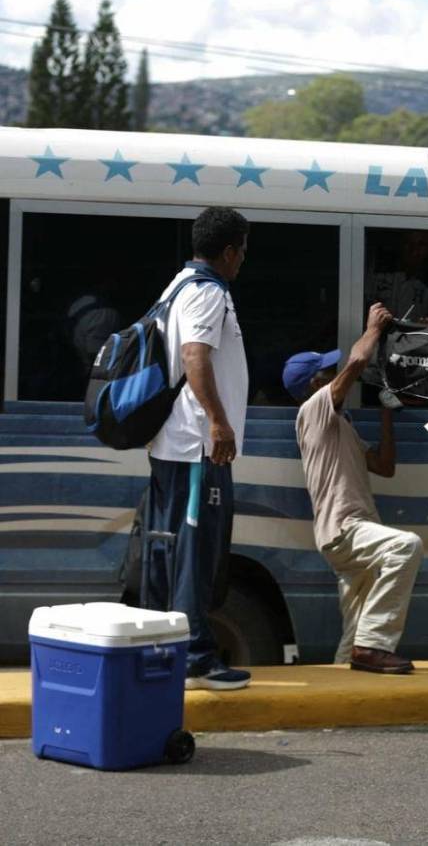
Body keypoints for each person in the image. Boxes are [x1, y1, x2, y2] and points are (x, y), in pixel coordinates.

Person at [143, 207, 251, 690]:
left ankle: (168, 650)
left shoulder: (179, 285)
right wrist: (218, 423)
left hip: (181, 445)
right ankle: (195, 659)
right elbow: (195, 357)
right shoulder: (208, 292)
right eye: (242, 251)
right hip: (195, 447)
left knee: (174, 550)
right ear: (228, 251)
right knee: (195, 552)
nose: (242, 260)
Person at [284, 303, 424, 674]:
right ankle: (374, 645)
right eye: (327, 372)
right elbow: (358, 361)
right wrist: (373, 327)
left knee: (352, 632)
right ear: (314, 385)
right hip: (346, 530)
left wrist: (386, 414)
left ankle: (350, 668)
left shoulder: (339, 426)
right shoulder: (313, 411)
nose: (335, 374)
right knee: (405, 547)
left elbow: (384, 467)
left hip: (349, 532)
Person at [369, 229, 428, 325]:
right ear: (400, 244)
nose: (414, 249)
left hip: (414, 334)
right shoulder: (380, 271)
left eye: (421, 244)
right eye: (408, 243)